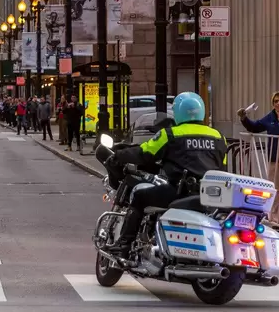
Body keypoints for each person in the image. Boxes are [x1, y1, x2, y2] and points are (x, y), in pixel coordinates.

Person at [107, 92, 228, 258]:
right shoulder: (219, 137)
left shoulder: (170, 134)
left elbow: (144, 153)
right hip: (210, 196)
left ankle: (124, 244)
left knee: (140, 197)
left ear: (178, 112)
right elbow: (223, 166)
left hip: (179, 192)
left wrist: (119, 156)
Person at [238, 91, 279, 222]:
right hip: (275, 159)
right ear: (273, 104)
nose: (278, 103)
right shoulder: (270, 117)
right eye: (275, 101)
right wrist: (244, 118)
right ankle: (274, 217)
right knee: (274, 188)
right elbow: (255, 127)